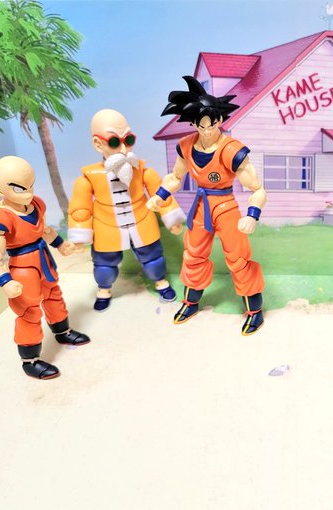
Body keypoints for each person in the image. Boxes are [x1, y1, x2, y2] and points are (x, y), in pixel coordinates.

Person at [148, 76, 266, 335]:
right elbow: (175, 177)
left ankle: (254, 310)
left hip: (225, 207)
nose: (207, 131)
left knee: (238, 258)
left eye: (211, 124)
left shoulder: (231, 149)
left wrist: (252, 215)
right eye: (201, 126)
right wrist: (160, 195)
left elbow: (257, 189)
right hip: (201, 207)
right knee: (193, 255)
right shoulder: (186, 146)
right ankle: (190, 302)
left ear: (219, 120)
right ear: (193, 124)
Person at [0, 156, 90, 379]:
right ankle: (30, 360)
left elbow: (45, 230)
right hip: (22, 269)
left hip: (44, 260)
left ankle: (63, 331)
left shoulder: (36, 204)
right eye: (19, 188)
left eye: (31, 185)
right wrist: (5, 281)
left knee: (53, 296)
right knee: (28, 311)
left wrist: (61, 245)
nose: (28, 192)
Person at [68, 109, 185, 311]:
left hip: (141, 220)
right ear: (98, 144)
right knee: (105, 264)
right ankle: (104, 289)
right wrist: (79, 235)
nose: (123, 148)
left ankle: (161, 282)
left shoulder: (142, 171)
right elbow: (80, 209)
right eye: (115, 141)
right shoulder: (89, 178)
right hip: (107, 225)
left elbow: (162, 195)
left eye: (128, 139)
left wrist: (172, 219)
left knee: (153, 257)